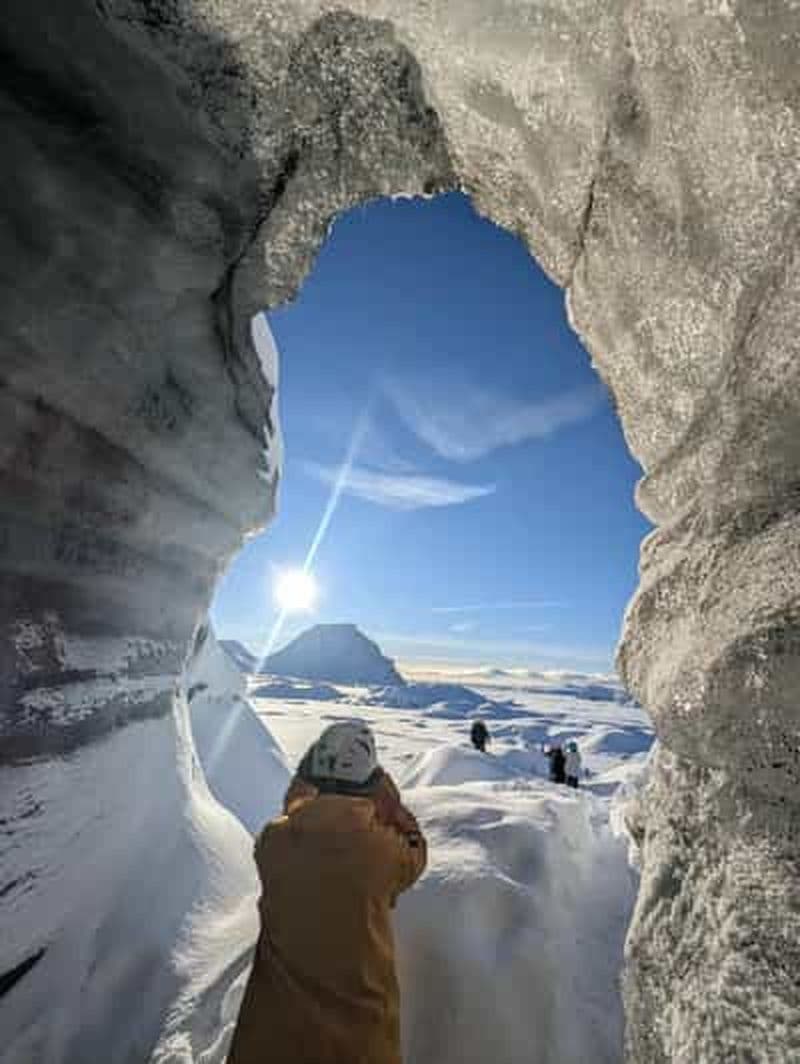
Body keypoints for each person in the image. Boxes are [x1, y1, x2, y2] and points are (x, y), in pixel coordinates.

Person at [227, 720, 427, 1064]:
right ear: (370, 784)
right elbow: (415, 853)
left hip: (270, 1039)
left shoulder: (274, 842)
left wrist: (302, 789)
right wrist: (393, 808)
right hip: (357, 1043)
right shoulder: (381, 852)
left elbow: (292, 816)